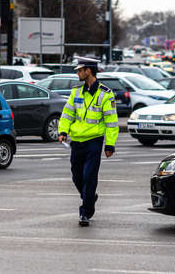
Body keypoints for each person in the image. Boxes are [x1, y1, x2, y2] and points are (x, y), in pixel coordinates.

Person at [58, 56, 119, 227]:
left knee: (89, 177)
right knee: (77, 177)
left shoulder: (106, 94)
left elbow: (112, 123)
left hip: (94, 141)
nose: (77, 73)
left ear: (88, 71)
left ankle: (85, 211)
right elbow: (67, 114)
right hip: (76, 141)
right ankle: (90, 197)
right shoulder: (76, 92)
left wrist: (110, 144)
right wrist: (63, 131)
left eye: (80, 70)